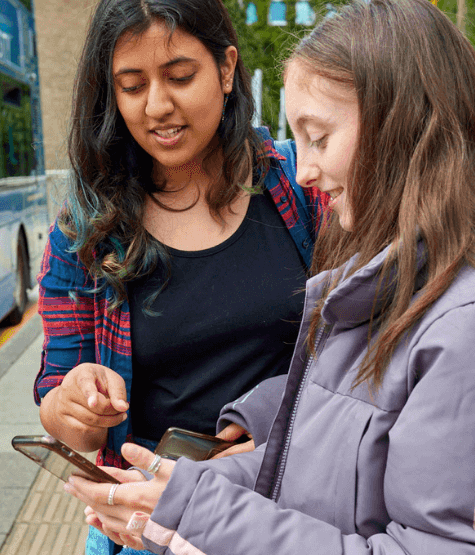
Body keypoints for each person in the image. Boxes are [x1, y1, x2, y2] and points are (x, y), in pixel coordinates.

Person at [66, 1, 475, 552]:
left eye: (319, 137)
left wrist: (198, 510)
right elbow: (330, 469)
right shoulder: (388, 283)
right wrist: (185, 494)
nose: (305, 170)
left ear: (401, 130)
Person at [34, 0, 327, 551]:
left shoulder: (302, 187)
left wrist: (273, 441)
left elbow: (361, 357)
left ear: (226, 69)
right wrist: (72, 402)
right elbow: (66, 412)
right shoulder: (86, 228)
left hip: (288, 509)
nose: (157, 107)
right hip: (148, 524)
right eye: (131, 85)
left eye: (180, 76)